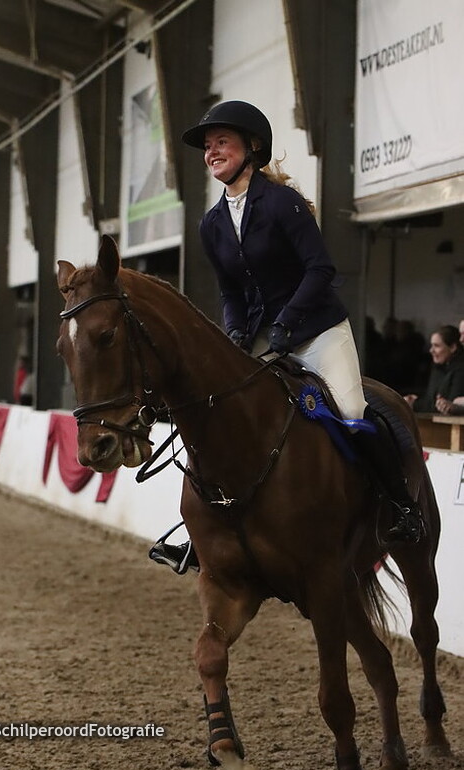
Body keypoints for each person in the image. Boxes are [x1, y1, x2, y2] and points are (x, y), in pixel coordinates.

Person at [150, 100, 423, 574]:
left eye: (222, 142)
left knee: (353, 411)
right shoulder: (211, 224)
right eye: (207, 146)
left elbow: (321, 269)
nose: (212, 151)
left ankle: (400, 508)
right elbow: (231, 291)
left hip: (316, 328)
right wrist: (235, 332)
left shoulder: (282, 203)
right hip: (260, 333)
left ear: (252, 146)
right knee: (218, 409)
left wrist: (288, 323)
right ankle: (204, 532)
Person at [404, 325, 464, 413]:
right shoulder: (437, 368)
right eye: (431, 345)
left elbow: (447, 406)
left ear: (452, 347)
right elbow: (431, 399)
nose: (431, 350)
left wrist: (415, 404)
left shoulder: (461, 370)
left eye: (437, 346)